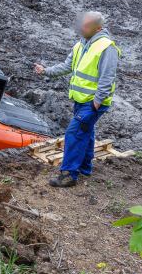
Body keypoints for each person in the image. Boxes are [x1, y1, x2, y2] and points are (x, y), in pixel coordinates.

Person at [34, 11, 121, 187]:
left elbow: (107, 77)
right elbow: (67, 66)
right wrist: (46, 71)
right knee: (86, 132)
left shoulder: (107, 47)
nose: (82, 27)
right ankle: (85, 168)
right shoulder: (81, 44)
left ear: (98, 28)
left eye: (86, 25)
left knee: (73, 133)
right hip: (80, 100)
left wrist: (97, 102)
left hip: (92, 103)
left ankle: (68, 174)